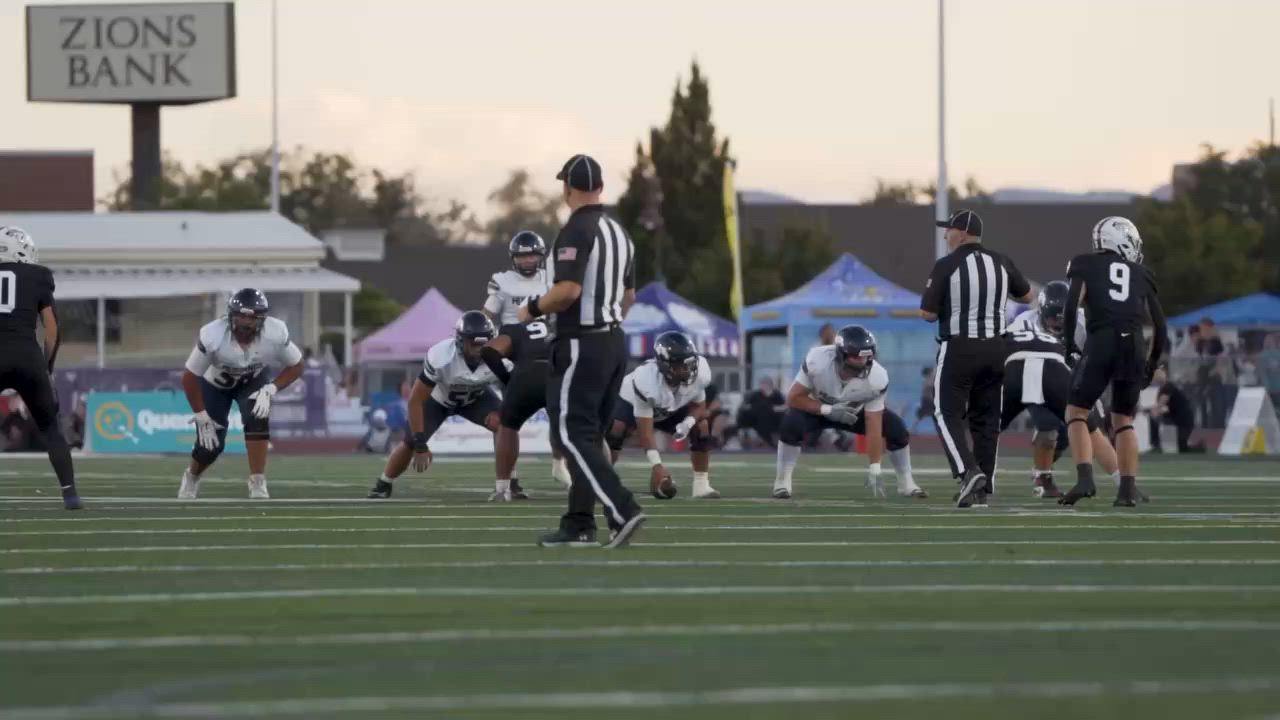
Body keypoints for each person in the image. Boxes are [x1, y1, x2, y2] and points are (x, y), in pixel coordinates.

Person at [519, 153, 644, 548]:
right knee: (589, 435)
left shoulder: (576, 229)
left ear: (566, 189)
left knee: (571, 434)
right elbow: (628, 297)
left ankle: (622, 508)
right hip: (613, 341)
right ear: (601, 187)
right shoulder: (619, 233)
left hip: (581, 342)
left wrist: (532, 308)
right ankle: (579, 523)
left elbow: (568, 291)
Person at [920, 210, 1035, 507]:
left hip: (960, 347)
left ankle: (967, 471)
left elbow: (927, 314)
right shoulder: (1002, 261)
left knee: (946, 413)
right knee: (986, 419)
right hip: (997, 349)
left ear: (962, 232)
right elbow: (1027, 296)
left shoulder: (947, 265)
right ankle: (983, 484)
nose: (946, 235)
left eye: (949, 230)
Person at [1060, 216, 1167, 507]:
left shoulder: (1084, 263)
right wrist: (1153, 361)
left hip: (1102, 341)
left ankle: (1085, 479)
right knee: (1123, 420)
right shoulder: (1141, 273)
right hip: (1133, 345)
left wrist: (1069, 344)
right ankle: (1127, 491)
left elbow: (1071, 307)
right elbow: (1160, 324)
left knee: (1076, 412)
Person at [1003, 280, 1130, 499]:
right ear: (1041, 312)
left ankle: (1119, 480)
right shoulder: (1024, 321)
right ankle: (1042, 476)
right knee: (1049, 426)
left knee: (1089, 427)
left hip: (1074, 376)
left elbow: (1098, 357)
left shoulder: (1084, 323)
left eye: (1063, 318)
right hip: (1035, 377)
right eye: (1052, 317)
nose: (1057, 324)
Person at [773, 325, 927, 500]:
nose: (861, 362)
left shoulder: (877, 377)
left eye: (866, 356)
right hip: (817, 409)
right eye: (855, 356)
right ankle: (782, 480)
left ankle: (906, 483)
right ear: (840, 353)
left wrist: (875, 467)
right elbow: (793, 398)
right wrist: (827, 410)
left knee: (897, 428)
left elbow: (873, 423)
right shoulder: (818, 360)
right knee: (791, 423)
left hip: (854, 413)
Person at [366, 311, 509, 499]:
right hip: (439, 399)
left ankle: (506, 483)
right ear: (460, 341)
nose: (478, 349)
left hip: (476, 398)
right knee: (410, 442)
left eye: (483, 343)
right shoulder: (441, 357)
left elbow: (513, 389)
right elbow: (416, 400)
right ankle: (383, 483)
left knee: (504, 425)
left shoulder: (502, 357)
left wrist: (506, 412)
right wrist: (420, 443)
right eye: (473, 343)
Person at [179, 288, 305, 500]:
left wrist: (272, 388)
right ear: (231, 315)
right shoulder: (213, 335)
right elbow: (190, 376)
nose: (246, 322)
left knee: (258, 417)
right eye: (241, 315)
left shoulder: (275, 332)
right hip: (216, 385)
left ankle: (257, 481)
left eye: (252, 317)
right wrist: (201, 415)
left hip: (253, 380)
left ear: (262, 319)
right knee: (211, 445)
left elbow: (296, 365)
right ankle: (192, 475)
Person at [0, 226, 80, 509]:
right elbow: (51, 328)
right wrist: (47, 367)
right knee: (50, 429)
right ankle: (70, 494)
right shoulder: (38, 276)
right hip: (26, 356)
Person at [606, 332, 720, 499]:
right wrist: (657, 465)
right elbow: (646, 433)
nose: (689, 370)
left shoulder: (701, 372)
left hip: (670, 407)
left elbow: (700, 407)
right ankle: (602, 482)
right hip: (630, 403)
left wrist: (687, 423)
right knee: (616, 430)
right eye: (683, 365)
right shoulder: (646, 382)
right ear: (667, 366)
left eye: (690, 363)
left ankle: (701, 485)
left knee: (701, 426)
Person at [481, 316, 573, 497]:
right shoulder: (565, 325)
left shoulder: (515, 329)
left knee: (508, 427)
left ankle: (502, 487)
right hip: (557, 376)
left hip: (525, 376)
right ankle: (568, 470)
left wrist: (507, 379)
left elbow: (489, 351)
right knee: (571, 425)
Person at [484, 231, 552, 327]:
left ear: (540, 256)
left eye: (531, 256)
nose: (527, 260)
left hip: (543, 338)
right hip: (512, 338)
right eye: (522, 256)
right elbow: (486, 316)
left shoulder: (549, 278)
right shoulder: (503, 281)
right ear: (513, 257)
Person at [1148, 366, 1203, 453]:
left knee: (1180, 448)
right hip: (1179, 421)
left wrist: (1153, 410)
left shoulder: (1168, 387)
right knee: (1178, 447)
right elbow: (1164, 408)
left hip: (1183, 422)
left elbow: (1161, 404)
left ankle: (1157, 445)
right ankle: (1157, 444)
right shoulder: (1165, 388)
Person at [735, 377, 787, 447]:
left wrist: (774, 408)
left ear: (770, 385)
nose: (764, 386)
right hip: (757, 420)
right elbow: (747, 406)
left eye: (766, 384)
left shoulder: (777, 395)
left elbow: (784, 407)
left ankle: (769, 442)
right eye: (762, 384)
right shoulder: (755, 395)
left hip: (774, 420)